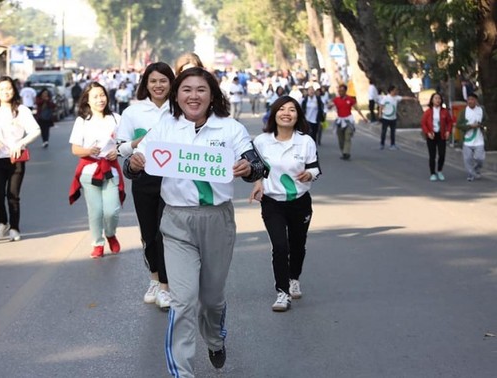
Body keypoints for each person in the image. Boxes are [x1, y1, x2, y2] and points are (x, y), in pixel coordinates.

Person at [125, 67, 266, 377]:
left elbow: (257, 164)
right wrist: (134, 163)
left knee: (212, 300)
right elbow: (134, 166)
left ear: (212, 95)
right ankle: (182, 373)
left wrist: (249, 167)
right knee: (183, 302)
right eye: (186, 89)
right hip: (176, 222)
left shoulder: (229, 129)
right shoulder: (165, 128)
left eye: (200, 89)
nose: (193, 95)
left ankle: (215, 339)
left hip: (217, 220)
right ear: (177, 95)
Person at [249, 96, 320, 312]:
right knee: (280, 246)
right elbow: (256, 169)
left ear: (298, 115)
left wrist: (309, 174)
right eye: (281, 109)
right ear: (274, 114)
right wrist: (258, 183)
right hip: (272, 202)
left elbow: (316, 168)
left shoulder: (305, 141)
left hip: (299, 202)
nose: (286, 113)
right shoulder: (261, 141)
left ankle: (294, 278)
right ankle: (282, 292)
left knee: (298, 244)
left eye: (291, 109)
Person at [117, 62, 175, 309]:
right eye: (154, 81)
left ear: (171, 83)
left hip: (174, 178)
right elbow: (120, 148)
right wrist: (140, 143)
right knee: (148, 232)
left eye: (163, 80)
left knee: (165, 233)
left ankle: (165, 285)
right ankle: (154, 278)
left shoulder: (180, 109)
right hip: (144, 178)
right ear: (146, 84)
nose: (158, 85)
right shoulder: (133, 112)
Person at [69, 82, 124, 259]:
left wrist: (118, 151)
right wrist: (88, 151)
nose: (100, 99)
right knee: (95, 211)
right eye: (95, 96)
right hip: (89, 171)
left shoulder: (116, 118)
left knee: (111, 210)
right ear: (87, 100)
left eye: (102, 95)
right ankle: (97, 243)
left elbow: (125, 142)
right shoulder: (82, 121)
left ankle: (110, 233)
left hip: (111, 170)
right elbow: (75, 149)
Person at [0, 76, 41, 241]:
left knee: (13, 195)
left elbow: (36, 131)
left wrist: (21, 143)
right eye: (1, 89)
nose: (5, 92)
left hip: (16, 159)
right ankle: (2, 223)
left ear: (14, 90)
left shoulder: (22, 110)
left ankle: (15, 228)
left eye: (8, 88)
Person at [327, 84, 367, 160]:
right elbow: (330, 106)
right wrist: (329, 105)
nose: (340, 92)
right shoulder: (336, 99)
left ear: (345, 91)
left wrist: (363, 118)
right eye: (339, 90)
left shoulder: (350, 99)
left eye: (342, 91)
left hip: (348, 120)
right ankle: (343, 152)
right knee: (341, 138)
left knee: (347, 136)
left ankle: (346, 153)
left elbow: (357, 109)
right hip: (339, 121)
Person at [420, 92, 453, 181]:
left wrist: (448, 131)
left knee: (442, 154)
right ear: (432, 100)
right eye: (435, 98)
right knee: (432, 155)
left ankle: (439, 170)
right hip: (431, 135)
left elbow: (450, 122)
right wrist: (427, 132)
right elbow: (423, 123)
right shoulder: (428, 112)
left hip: (441, 135)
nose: (437, 100)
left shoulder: (444, 111)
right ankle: (432, 173)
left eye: (439, 98)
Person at [455, 93, 487, 181]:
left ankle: (476, 169)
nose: (470, 101)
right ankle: (471, 174)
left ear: (476, 101)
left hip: (479, 139)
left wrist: (481, 125)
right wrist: (470, 126)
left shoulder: (481, 110)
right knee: (468, 159)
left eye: (472, 99)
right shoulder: (464, 112)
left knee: (480, 158)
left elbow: (486, 121)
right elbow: (458, 125)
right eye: (469, 99)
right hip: (467, 140)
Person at [378, 85, 416, 150]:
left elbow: (404, 98)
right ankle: (382, 144)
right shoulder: (386, 98)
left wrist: (412, 99)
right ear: (391, 91)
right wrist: (380, 114)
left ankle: (392, 144)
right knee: (384, 131)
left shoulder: (396, 98)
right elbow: (381, 106)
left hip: (393, 118)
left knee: (393, 132)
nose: (396, 91)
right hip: (386, 118)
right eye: (395, 90)